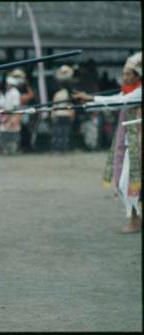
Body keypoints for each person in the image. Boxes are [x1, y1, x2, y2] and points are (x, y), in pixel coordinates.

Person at [74, 51, 141, 233]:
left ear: (138, 75)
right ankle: (135, 216)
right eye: (124, 73)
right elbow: (115, 100)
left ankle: (135, 219)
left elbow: (120, 102)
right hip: (130, 143)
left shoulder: (139, 92)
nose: (124, 77)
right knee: (122, 183)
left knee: (126, 182)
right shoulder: (128, 90)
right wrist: (87, 103)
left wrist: (91, 98)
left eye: (129, 74)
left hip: (139, 144)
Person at [50, 65, 76, 153]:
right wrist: (72, 114)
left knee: (58, 132)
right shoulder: (69, 94)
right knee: (65, 132)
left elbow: (54, 106)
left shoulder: (57, 94)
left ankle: (58, 148)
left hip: (59, 114)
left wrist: (52, 115)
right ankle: (64, 148)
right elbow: (71, 106)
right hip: (67, 114)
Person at [0, 72, 22, 155]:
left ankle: (12, 150)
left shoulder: (15, 92)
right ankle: (3, 149)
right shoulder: (8, 92)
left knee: (13, 133)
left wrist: (12, 117)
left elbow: (15, 106)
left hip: (12, 114)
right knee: (3, 132)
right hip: (6, 114)